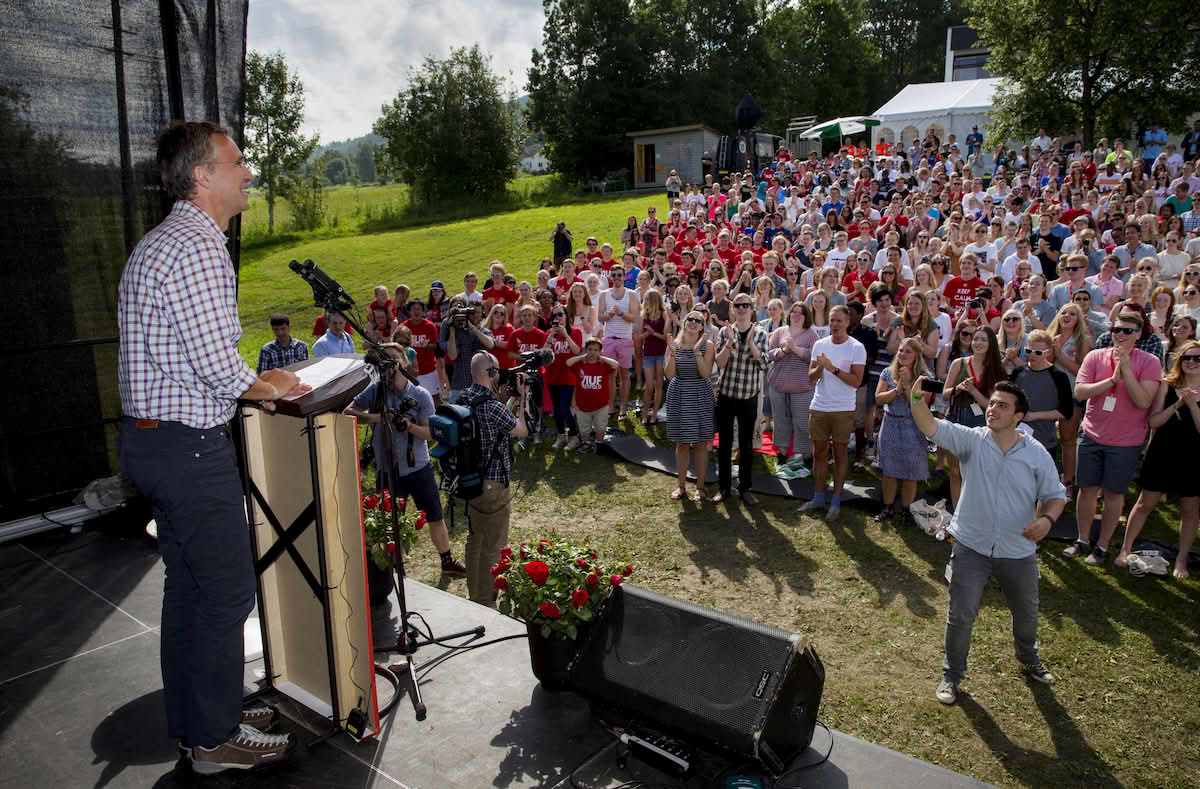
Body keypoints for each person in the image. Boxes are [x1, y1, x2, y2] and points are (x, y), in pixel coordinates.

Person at [118, 120, 308, 773]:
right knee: (227, 591)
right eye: (236, 162)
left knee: (191, 587)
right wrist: (274, 381)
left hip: (151, 442)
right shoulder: (197, 247)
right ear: (202, 176)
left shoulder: (158, 242)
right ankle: (214, 737)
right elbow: (216, 366)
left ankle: (201, 712)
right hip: (188, 448)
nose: (248, 171)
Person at [909, 380, 1066, 706]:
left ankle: (1028, 657)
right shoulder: (972, 440)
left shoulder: (1036, 454)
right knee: (961, 614)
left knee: (1026, 613)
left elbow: (1055, 496)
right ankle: (952, 676)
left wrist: (1047, 520)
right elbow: (929, 424)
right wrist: (915, 396)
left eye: (1002, 406)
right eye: (992, 404)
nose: (993, 409)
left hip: (1018, 550)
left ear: (1019, 416)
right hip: (971, 546)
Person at [344, 344, 467, 578]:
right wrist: (377, 418)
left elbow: (430, 434)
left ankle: (447, 561)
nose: (389, 362)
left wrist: (408, 426)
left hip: (417, 467)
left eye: (394, 357)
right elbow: (349, 412)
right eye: (385, 359)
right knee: (391, 523)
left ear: (405, 361)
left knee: (434, 516)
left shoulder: (419, 395)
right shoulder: (375, 391)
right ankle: (394, 566)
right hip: (386, 469)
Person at [1065, 310, 1161, 566]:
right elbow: (1081, 392)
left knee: (1113, 494)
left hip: (1126, 442)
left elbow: (1143, 401)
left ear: (1138, 335)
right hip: (1092, 435)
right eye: (1116, 330)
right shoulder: (1095, 356)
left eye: (1126, 331)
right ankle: (1082, 539)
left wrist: (1126, 369)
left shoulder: (1150, 361)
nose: (1119, 335)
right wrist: (1110, 380)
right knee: (1086, 490)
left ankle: (1103, 546)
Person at [1115, 340, 1200, 578]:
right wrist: (1178, 404)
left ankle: (1181, 560)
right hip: (1163, 451)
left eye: (1197, 358)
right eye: (1187, 358)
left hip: (1193, 457)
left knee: (1190, 509)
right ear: (1179, 361)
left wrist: (1193, 406)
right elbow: (1153, 422)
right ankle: (1125, 549)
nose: (1192, 362)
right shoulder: (1168, 385)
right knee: (1145, 503)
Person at [463, 351, 528, 605]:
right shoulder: (493, 407)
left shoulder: (464, 398)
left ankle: (473, 594)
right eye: (497, 370)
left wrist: (507, 401)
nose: (500, 374)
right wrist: (522, 400)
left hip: (470, 483)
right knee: (494, 545)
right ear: (489, 373)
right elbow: (520, 429)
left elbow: (499, 421)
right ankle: (486, 602)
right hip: (494, 486)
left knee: (475, 541)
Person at [799, 306, 866, 522]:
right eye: (831, 320)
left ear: (847, 322)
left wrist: (833, 368)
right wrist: (820, 368)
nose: (835, 324)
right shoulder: (820, 344)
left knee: (840, 455)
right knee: (819, 453)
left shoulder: (856, 347)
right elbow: (811, 377)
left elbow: (856, 381)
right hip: (819, 406)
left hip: (843, 408)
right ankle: (818, 497)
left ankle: (836, 500)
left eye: (839, 321)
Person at [713, 293, 769, 506]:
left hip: (748, 397)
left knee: (746, 446)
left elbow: (763, 365)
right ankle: (724, 487)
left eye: (746, 305)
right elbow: (720, 363)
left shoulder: (762, 333)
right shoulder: (724, 331)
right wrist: (728, 342)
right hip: (726, 394)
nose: (742, 308)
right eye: (738, 305)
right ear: (733, 308)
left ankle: (745, 488)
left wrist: (752, 342)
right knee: (725, 444)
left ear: (752, 308)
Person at [942, 325, 1006, 509]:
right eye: (975, 338)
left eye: (982, 339)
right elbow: (945, 394)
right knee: (955, 471)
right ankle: (957, 514)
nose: (977, 342)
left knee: (977, 471)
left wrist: (973, 391)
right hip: (956, 417)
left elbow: (993, 405)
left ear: (990, 344)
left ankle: (975, 512)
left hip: (982, 423)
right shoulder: (958, 363)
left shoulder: (996, 369)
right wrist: (958, 388)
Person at [873, 337, 933, 524]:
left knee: (910, 471)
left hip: (912, 426)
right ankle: (888, 507)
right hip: (890, 424)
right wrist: (897, 388)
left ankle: (907, 509)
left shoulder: (925, 377)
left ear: (916, 355)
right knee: (889, 471)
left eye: (908, 351)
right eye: (900, 350)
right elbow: (879, 398)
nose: (903, 354)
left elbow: (921, 403)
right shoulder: (887, 372)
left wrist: (907, 385)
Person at [665, 310, 716, 501]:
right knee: (682, 443)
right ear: (684, 323)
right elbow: (669, 375)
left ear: (703, 326)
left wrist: (696, 352)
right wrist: (671, 353)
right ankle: (681, 486)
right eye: (690, 319)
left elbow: (705, 374)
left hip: (700, 394)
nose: (694, 322)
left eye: (698, 320)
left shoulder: (708, 345)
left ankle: (700, 488)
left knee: (701, 443)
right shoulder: (674, 344)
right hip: (679, 394)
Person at [767, 301, 819, 472]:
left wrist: (795, 349)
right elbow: (768, 354)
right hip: (778, 385)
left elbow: (815, 357)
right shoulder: (780, 331)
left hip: (802, 387)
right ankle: (781, 455)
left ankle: (806, 457)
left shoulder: (812, 334)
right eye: (794, 312)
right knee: (780, 421)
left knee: (802, 423)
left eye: (801, 313)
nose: (796, 315)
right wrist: (783, 351)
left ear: (806, 316)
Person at [1010, 330, 1074, 456]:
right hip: (1016, 440)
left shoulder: (1058, 376)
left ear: (1048, 352)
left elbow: (1066, 411)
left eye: (1038, 353)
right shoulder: (1018, 372)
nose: (1032, 355)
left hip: (1045, 441)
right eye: (1029, 351)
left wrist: (1034, 415)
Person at [598, 262, 640, 418]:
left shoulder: (632, 294)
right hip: (609, 339)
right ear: (611, 277)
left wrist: (620, 313)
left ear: (624, 277)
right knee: (610, 375)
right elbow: (600, 317)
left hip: (625, 340)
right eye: (614, 275)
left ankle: (623, 407)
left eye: (619, 275)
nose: (616, 278)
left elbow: (633, 318)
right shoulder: (604, 294)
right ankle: (610, 406)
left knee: (624, 375)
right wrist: (610, 314)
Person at [567, 338, 618, 453]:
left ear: (600, 351)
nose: (592, 352)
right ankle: (586, 443)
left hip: (601, 404)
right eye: (590, 349)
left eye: (596, 350)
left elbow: (615, 365)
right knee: (584, 428)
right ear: (586, 350)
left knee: (601, 427)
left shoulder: (603, 365)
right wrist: (581, 357)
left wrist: (602, 358)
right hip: (583, 404)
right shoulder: (580, 365)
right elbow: (568, 363)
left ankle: (599, 443)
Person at [542, 305, 583, 450]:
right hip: (552, 376)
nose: (557, 318)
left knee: (565, 407)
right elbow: (544, 355)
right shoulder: (549, 333)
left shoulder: (576, 332)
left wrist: (566, 335)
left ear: (566, 316)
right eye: (554, 316)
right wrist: (549, 337)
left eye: (560, 314)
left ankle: (574, 435)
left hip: (568, 375)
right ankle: (560, 434)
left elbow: (577, 351)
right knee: (557, 409)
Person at [445, 301, 496, 402]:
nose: (475, 315)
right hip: (460, 385)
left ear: (482, 314)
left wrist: (472, 328)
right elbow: (452, 356)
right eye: (472, 312)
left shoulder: (485, 332)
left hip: (481, 387)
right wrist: (451, 329)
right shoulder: (457, 332)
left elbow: (490, 344)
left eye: (478, 312)